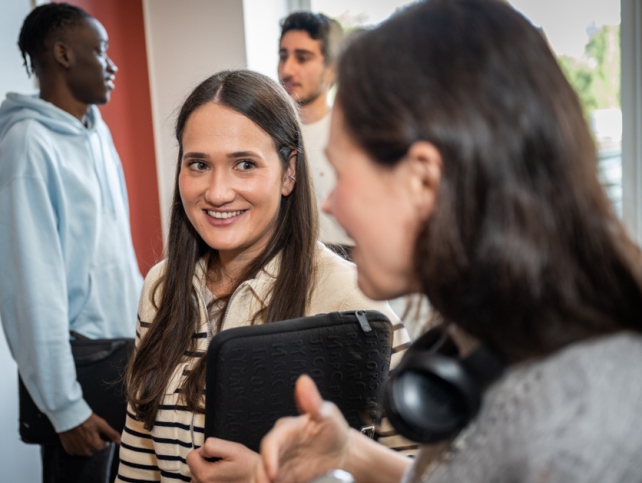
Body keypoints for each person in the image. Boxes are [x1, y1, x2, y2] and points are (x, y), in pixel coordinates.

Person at [259, 0, 642, 482]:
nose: (330, 204)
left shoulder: (578, 430)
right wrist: (349, 453)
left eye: (341, 174)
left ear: (423, 180)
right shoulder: (495, 341)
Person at [115, 70, 412, 483]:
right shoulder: (161, 287)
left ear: (289, 171)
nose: (217, 192)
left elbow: (426, 471)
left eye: (244, 165)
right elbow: (137, 457)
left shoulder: (349, 297)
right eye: (198, 164)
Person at [0, 3, 143, 482]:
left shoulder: (96, 134)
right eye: (100, 50)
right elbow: (32, 290)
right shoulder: (28, 146)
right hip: (78, 371)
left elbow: (115, 253)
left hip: (122, 356)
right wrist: (64, 407)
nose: (112, 64)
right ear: (62, 54)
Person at [278, 11, 353, 259]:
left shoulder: (356, 134)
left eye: (302, 58)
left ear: (331, 70)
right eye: (283, 56)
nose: (287, 70)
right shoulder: (268, 134)